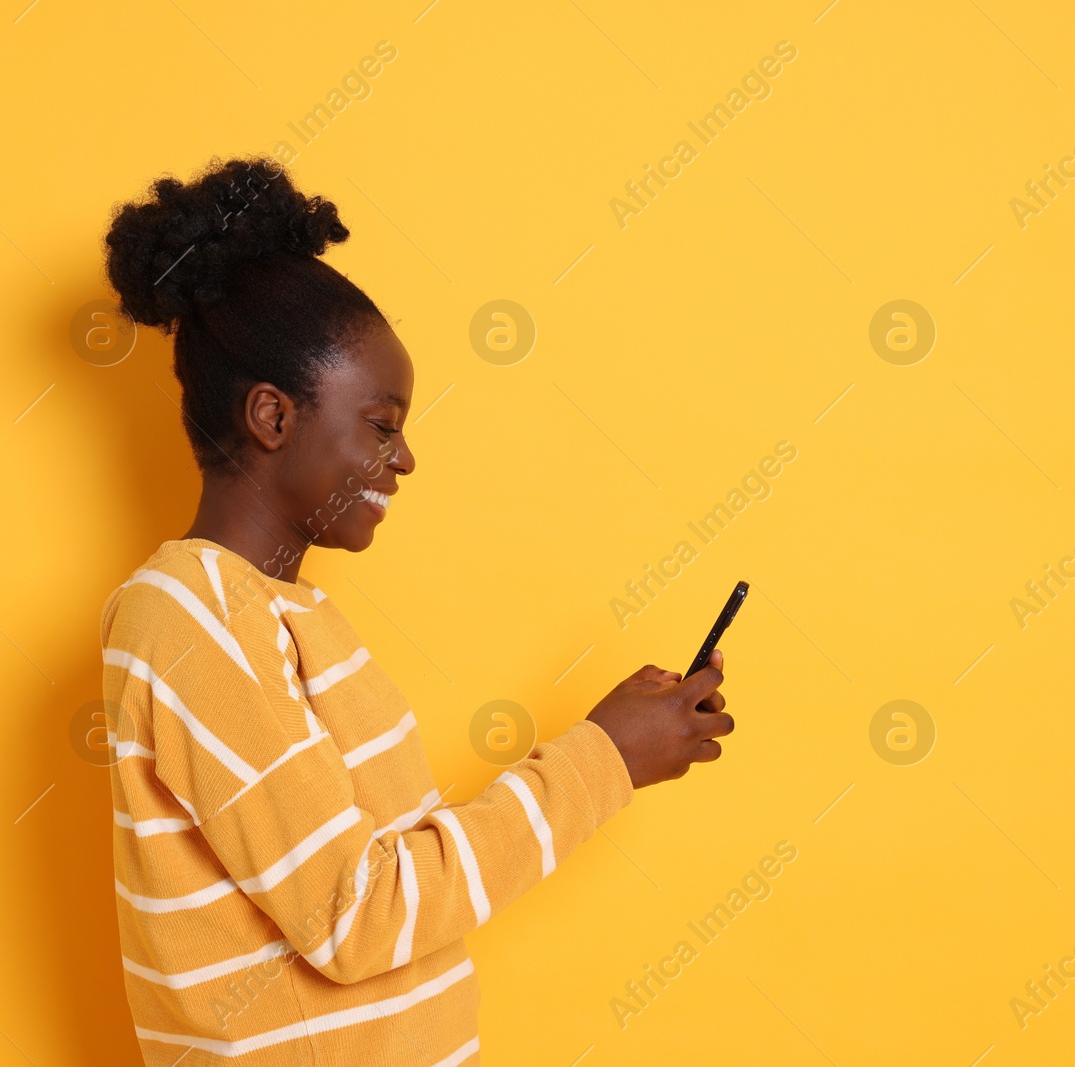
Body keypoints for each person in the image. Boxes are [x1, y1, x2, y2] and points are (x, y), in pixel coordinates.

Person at [97, 156, 732, 1066]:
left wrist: (617, 741)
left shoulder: (284, 615)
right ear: (274, 416)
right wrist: (604, 759)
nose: (404, 460)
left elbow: (383, 888)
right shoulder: (187, 617)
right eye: (382, 423)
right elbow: (356, 915)